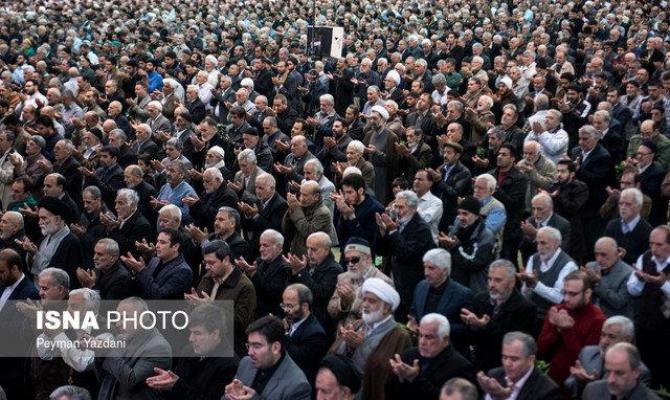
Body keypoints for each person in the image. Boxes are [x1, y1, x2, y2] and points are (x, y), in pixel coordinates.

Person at [329, 277, 411, 400]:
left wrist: (362, 346)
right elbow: (335, 357)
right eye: (364, 300)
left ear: (386, 307)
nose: (365, 305)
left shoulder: (399, 336)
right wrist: (349, 346)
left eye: (371, 301)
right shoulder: (358, 324)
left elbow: (384, 372)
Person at [145, 304, 239, 400]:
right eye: (191, 332)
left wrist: (176, 386)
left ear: (215, 334)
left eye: (197, 333)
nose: (191, 338)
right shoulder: (189, 350)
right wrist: (165, 386)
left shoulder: (230, 364)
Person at [461, 259, 537, 371]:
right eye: (489, 279)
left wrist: (486, 325)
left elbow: (515, 345)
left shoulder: (526, 308)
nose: (491, 285)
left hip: (506, 369)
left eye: (498, 280)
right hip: (480, 365)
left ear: (511, 282)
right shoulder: (480, 299)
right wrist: (472, 325)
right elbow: (470, 339)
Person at [188, 240, 256, 357]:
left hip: (228, 349)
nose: (207, 267)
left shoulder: (245, 287)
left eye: (211, 263)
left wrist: (212, 306)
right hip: (202, 343)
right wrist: (193, 304)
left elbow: (240, 324)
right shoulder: (208, 277)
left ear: (225, 260)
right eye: (205, 262)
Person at [96, 297, 172, 400]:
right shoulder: (121, 339)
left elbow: (132, 381)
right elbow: (103, 377)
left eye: (125, 318)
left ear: (143, 317)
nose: (118, 324)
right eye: (118, 318)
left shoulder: (159, 347)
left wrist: (107, 351)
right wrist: (99, 353)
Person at [538, 271, 607, 384]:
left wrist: (567, 331)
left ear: (588, 293)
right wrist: (556, 330)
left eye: (572, 294)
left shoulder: (598, 320)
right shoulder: (557, 311)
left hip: (575, 385)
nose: (566, 299)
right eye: (565, 293)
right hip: (549, 380)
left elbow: (585, 362)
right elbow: (540, 351)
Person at [386, 313, 475, 400]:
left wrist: (415, 378)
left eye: (429, 337)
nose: (422, 342)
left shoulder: (461, 366)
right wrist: (399, 377)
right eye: (420, 335)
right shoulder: (409, 354)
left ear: (445, 339)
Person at [376, 190, 435, 320]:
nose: (397, 211)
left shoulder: (421, 229)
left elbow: (406, 253)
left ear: (413, 208)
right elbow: (382, 251)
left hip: (411, 286)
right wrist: (383, 233)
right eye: (396, 206)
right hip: (394, 280)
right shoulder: (397, 224)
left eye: (401, 207)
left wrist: (393, 231)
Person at [224, 315, 311, 400]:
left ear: (275, 348)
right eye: (248, 345)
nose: (249, 352)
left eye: (256, 346)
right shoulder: (245, 363)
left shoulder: (297, 385)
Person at [626, 225, 670, 388]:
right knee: (645, 369)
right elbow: (632, 290)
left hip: (667, 329)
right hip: (645, 325)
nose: (654, 249)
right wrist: (639, 278)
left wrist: (663, 284)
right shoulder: (645, 258)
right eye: (651, 244)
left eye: (659, 245)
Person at [565, 316, 650, 399]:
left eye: (611, 336)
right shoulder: (587, 352)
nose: (604, 341)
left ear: (627, 340)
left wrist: (592, 385)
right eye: (603, 335)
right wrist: (579, 382)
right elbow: (568, 384)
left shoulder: (638, 370)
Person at [409, 248, 472, 353]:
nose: (426, 273)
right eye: (425, 267)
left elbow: (467, 330)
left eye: (431, 268)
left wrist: (438, 329)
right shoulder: (421, 286)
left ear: (445, 270)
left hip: (449, 353)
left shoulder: (462, 294)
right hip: (422, 349)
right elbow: (414, 312)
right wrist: (413, 322)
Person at [519, 226, 578, 328]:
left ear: (556, 243)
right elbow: (525, 295)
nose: (539, 247)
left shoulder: (568, 265)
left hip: (554, 318)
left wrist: (535, 285)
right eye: (537, 243)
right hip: (532, 313)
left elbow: (559, 298)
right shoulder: (534, 258)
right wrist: (527, 285)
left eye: (543, 243)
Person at [328, 237, 392, 326]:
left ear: (367, 258)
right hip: (342, 335)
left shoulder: (383, 282)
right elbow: (331, 310)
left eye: (355, 260)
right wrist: (343, 303)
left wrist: (353, 302)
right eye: (347, 261)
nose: (350, 264)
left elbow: (379, 317)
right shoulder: (343, 277)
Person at [477, 331, 561, 400]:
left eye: (514, 359)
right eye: (504, 357)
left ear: (530, 360)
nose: (507, 364)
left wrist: (502, 397)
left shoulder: (547, 390)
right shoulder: (494, 375)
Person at [286, 232, 342, 334]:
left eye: (314, 250)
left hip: (320, 325)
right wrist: (293, 272)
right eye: (308, 248)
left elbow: (319, 294)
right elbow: (294, 289)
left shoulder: (334, 270)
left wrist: (301, 272)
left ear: (326, 250)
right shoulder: (308, 264)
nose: (309, 253)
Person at [439, 195, 496, 293]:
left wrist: (454, 247)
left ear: (476, 216)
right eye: (459, 213)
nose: (461, 217)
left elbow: (475, 264)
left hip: (474, 288)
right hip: (453, 283)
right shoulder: (457, 228)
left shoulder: (486, 236)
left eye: (465, 214)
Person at [120, 228, 192, 299]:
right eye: (157, 241)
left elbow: (161, 295)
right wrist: (135, 272)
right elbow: (142, 285)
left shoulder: (183, 271)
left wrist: (141, 271)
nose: (157, 245)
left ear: (175, 247)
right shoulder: (155, 260)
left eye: (162, 242)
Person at [282, 283, 329, 383]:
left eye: (290, 306)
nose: (286, 310)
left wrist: (285, 334)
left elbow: (298, 359)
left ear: (305, 306)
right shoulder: (290, 320)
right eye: (284, 305)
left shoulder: (316, 334)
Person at [582, 343, 660, 400]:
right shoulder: (592, 391)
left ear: (636, 372)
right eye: (608, 371)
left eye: (619, 373)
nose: (610, 380)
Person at [582, 237, 634, 317]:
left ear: (616, 253)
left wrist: (598, 283)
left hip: (613, 320)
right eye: (596, 254)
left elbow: (618, 302)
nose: (599, 259)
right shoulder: (590, 266)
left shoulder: (628, 273)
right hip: (589, 316)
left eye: (603, 254)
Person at [282, 180, 336, 256]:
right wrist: (291, 210)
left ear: (316, 196)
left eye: (305, 195)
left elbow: (308, 232)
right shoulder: (303, 207)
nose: (301, 198)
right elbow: (286, 229)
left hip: (314, 257)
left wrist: (297, 210)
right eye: (300, 194)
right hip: (297, 253)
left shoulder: (322, 212)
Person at [603, 188, 652, 264]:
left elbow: (648, 260)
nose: (623, 207)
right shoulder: (612, 225)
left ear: (639, 206)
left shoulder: (647, 230)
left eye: (628, 204)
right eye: (621, 203)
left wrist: (626, 255)